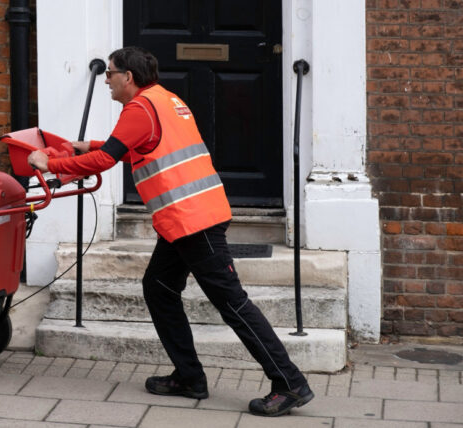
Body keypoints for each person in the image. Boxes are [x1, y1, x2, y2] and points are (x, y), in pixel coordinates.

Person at [28, 46, 314, 417]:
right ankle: (189, 377)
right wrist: (89, 145)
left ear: (128, 77)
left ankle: (289, 383)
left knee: (233, 303)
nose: (106, 80)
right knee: (159, 289)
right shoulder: (166, 100)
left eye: (110, 73)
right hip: (187, 219)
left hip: (193, 222)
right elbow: (134, 147)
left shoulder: (138, 109)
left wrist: (50, 162)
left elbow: (107, 159)